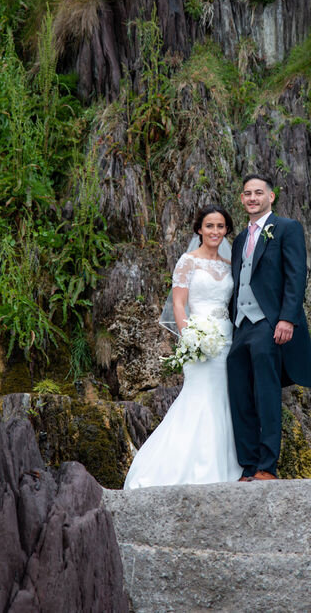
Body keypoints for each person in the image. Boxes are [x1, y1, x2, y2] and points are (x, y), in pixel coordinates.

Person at [123, 205, 244, 489]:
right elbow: (178, 303)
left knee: (225, 399)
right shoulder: (187, 261)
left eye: (220, 226)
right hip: (198, 339)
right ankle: (180, 466)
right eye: (209, 226)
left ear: (226, 230)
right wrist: (188, 337)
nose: (215, 231)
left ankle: (225, 464)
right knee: (198, 398)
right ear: (199, 229)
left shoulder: (230, 267)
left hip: (227, 339)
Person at [228, 174, 311, 481]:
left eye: (258, 193)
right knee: (240, 395)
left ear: (271, 197)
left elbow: (296, 276)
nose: (252, 198)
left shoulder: (287, 228)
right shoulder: (240, 239)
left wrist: (286, 318)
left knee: (266, 395)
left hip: (268, 323)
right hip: (240, 325)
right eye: (247, 194)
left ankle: (267, 466)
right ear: (242, 200)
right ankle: (248, 465)